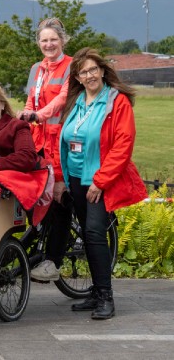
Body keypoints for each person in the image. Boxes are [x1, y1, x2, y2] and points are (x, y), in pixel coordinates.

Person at [57, 48, 146, 320]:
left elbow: (123, 145)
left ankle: (106, 297)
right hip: (75, 177)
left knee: (95, 233)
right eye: (83, 71)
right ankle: (96, 292)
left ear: (103, 71)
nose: (89, 75)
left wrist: (101, 181)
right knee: (87, 233)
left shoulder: (116, 102)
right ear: (78, 77)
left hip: (99, 180)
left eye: (93, 69)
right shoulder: (77, 101)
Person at [18, 18, 75, 282]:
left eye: (53, 39)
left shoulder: (72, 66)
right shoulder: (35, 69)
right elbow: (31, 97)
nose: (48, 44)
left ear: (62, 40)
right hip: (39, 141)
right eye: (44, 40)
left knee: (59, 200)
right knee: (36, 195)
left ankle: (54, 261)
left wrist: (38, 115)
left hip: (62, 141)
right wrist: (26, 117)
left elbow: (64, 98)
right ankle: (36, 246)